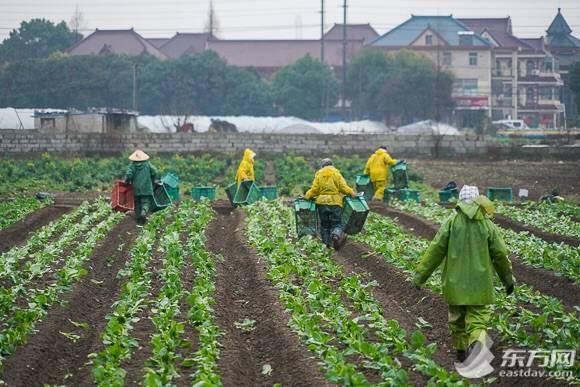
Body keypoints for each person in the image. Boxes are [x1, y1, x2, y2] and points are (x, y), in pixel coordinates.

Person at [413, 185, 514, 363]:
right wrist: (507, 280)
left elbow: (435, 250)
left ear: (460, 201)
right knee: (477, 319)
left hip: (455, 283)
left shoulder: (451, 222)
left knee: (457, 319)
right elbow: (500, 255)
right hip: (480, 285)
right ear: (478, 201)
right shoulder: (487, 224)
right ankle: (477, 344)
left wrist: (420, 276)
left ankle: (461, 350)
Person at [304, 158, 356, 250]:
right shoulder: (336, 173)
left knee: (324, 225)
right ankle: (335, 234)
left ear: (322, 166)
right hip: (335, 202)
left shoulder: (319, 174)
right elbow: (343, 187)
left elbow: (315, 189)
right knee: (337, 223)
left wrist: (307, 196)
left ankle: (327, 244)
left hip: (322, 203)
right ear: (332, 165)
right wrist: (352, 193)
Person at [124, 150, 158, 223]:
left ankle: (138, 218)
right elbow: (154, 171)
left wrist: (126, 181)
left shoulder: (132, 165)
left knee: (137, 202)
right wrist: (154, 179)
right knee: (146, 201)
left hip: (136, 188)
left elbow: (129, 175)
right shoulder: (147, 164)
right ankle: (144, 211)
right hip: (147, 187)